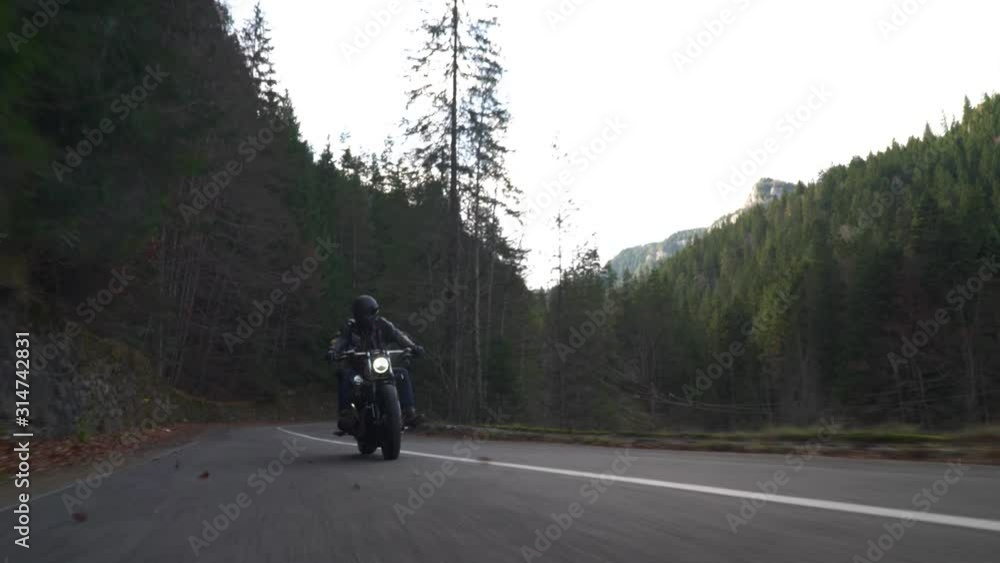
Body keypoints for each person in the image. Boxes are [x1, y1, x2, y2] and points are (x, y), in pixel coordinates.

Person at [327, 295, 424, 433]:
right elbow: (340, 340)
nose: (372, 316)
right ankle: (346, 414)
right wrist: (333, 351)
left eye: (374, 313)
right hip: (359, 369)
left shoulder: (382, 324)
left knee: (402, 374)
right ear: (360, 315)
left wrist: (412, 346)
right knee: (346, 375)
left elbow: (398, 335)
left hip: (380, 366)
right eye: (369, 313)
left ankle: (408, 412)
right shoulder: (350, 328)